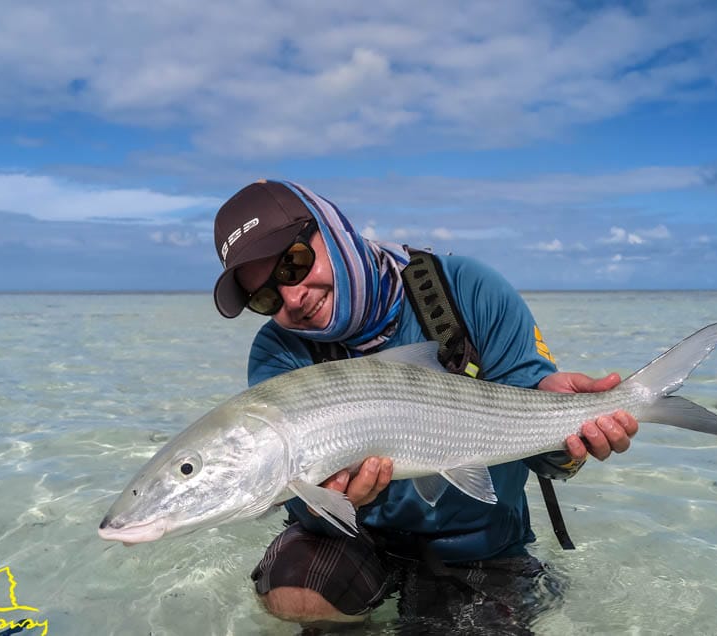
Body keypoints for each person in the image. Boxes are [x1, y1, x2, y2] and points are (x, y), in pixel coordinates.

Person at [212, 179, 639, 631]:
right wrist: (327, 504)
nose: (292, 299)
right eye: (265, 298)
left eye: (293, 265)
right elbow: (286, 492)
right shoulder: (278, 352)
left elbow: (549, 462)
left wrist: (568, 438)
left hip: (483, 546)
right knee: (294, 589)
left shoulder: (468, 290)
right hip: (359, 540)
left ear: (334, 231)